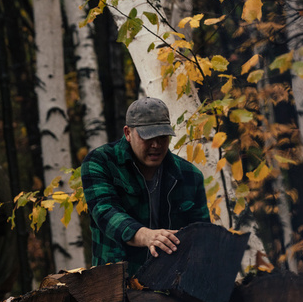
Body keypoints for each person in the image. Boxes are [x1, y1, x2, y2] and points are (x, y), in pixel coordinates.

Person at [81, 97, 210, 274]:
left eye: (162, 137)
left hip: (172, 284)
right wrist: (147, 236)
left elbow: (202, 235)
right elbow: (105, 212)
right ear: (128, 133)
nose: (156, 145)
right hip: (115, 283)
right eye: (147, 137)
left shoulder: (190, 176)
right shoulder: (100, 162)